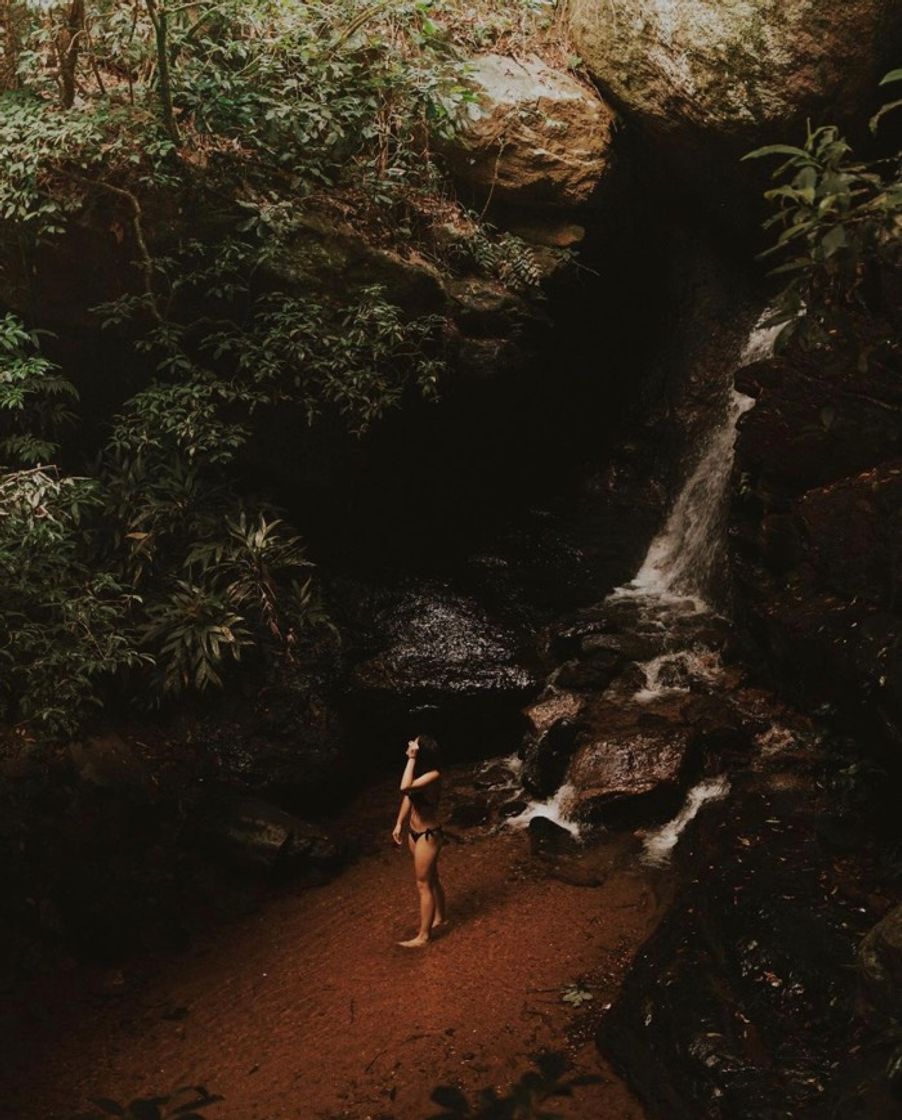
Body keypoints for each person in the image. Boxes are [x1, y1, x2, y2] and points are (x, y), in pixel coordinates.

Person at [392, 734, 446, 948]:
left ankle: (424, 937)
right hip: (414, 832)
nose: (408, 745)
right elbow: (409, 797)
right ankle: (441, 917)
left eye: (413, 744)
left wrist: (410, 758)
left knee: (423, 884)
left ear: (419, 753)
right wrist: (399, 823)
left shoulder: (433, 776)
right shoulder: (420, 775)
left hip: (428, 836)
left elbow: (404, 788)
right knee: (432, 877)